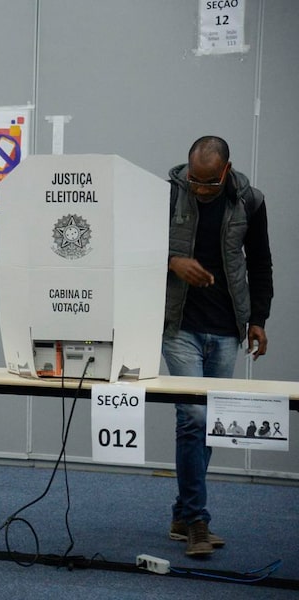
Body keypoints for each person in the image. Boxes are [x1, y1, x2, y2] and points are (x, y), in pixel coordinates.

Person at [162, 135, 273, 557]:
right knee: (192, 416)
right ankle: (196, 521)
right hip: (179, 325)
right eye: (194, 179)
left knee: (209, 422)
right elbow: (132, 250)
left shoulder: (250, 201)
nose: (200, 189)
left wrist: (258, 319)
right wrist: (172, 261)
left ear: (226, 170)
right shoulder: (166, 195)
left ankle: (182, 513)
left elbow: (260, 262)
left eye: (209, 182)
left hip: (227, 327)